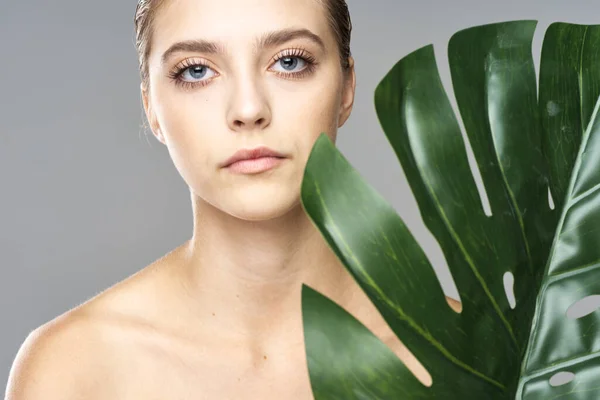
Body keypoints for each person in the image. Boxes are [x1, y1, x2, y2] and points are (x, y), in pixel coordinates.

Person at [5, 0, 461, 398]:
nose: (248, 109)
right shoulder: (73, 370)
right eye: (197, 70)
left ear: (345, 87)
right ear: (152, 109)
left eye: (289, 62)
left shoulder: (473, 352)